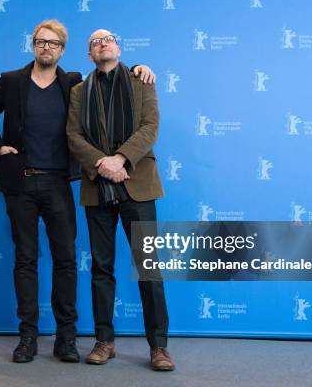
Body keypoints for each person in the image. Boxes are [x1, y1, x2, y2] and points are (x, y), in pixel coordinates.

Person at [0, 20, 155, 364]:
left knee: (66, 261)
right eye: (42, 42)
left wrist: (139, 68)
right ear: (33, 45)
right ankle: (27, 338)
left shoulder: (71, 83)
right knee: (25, 260)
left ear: (63, 50)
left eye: (54, 44)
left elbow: (109, 74)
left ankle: (66, 339)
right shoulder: (11, 81)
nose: (47, 48)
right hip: (21, 184)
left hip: (58, 183)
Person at [66, 29, 174, 371]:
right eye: (94, 42)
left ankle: (158, 347)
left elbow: (150, 126)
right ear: (89, 55)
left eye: (107, 39)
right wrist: (103, 163)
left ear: (118, 46)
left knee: (148, 268)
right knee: (101, 268)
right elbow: (73, 135)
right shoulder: (79, 91)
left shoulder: (142, 80)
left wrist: (121, 159)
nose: (102, 43)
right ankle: (104, 341)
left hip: (137, 185)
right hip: (98, 187)